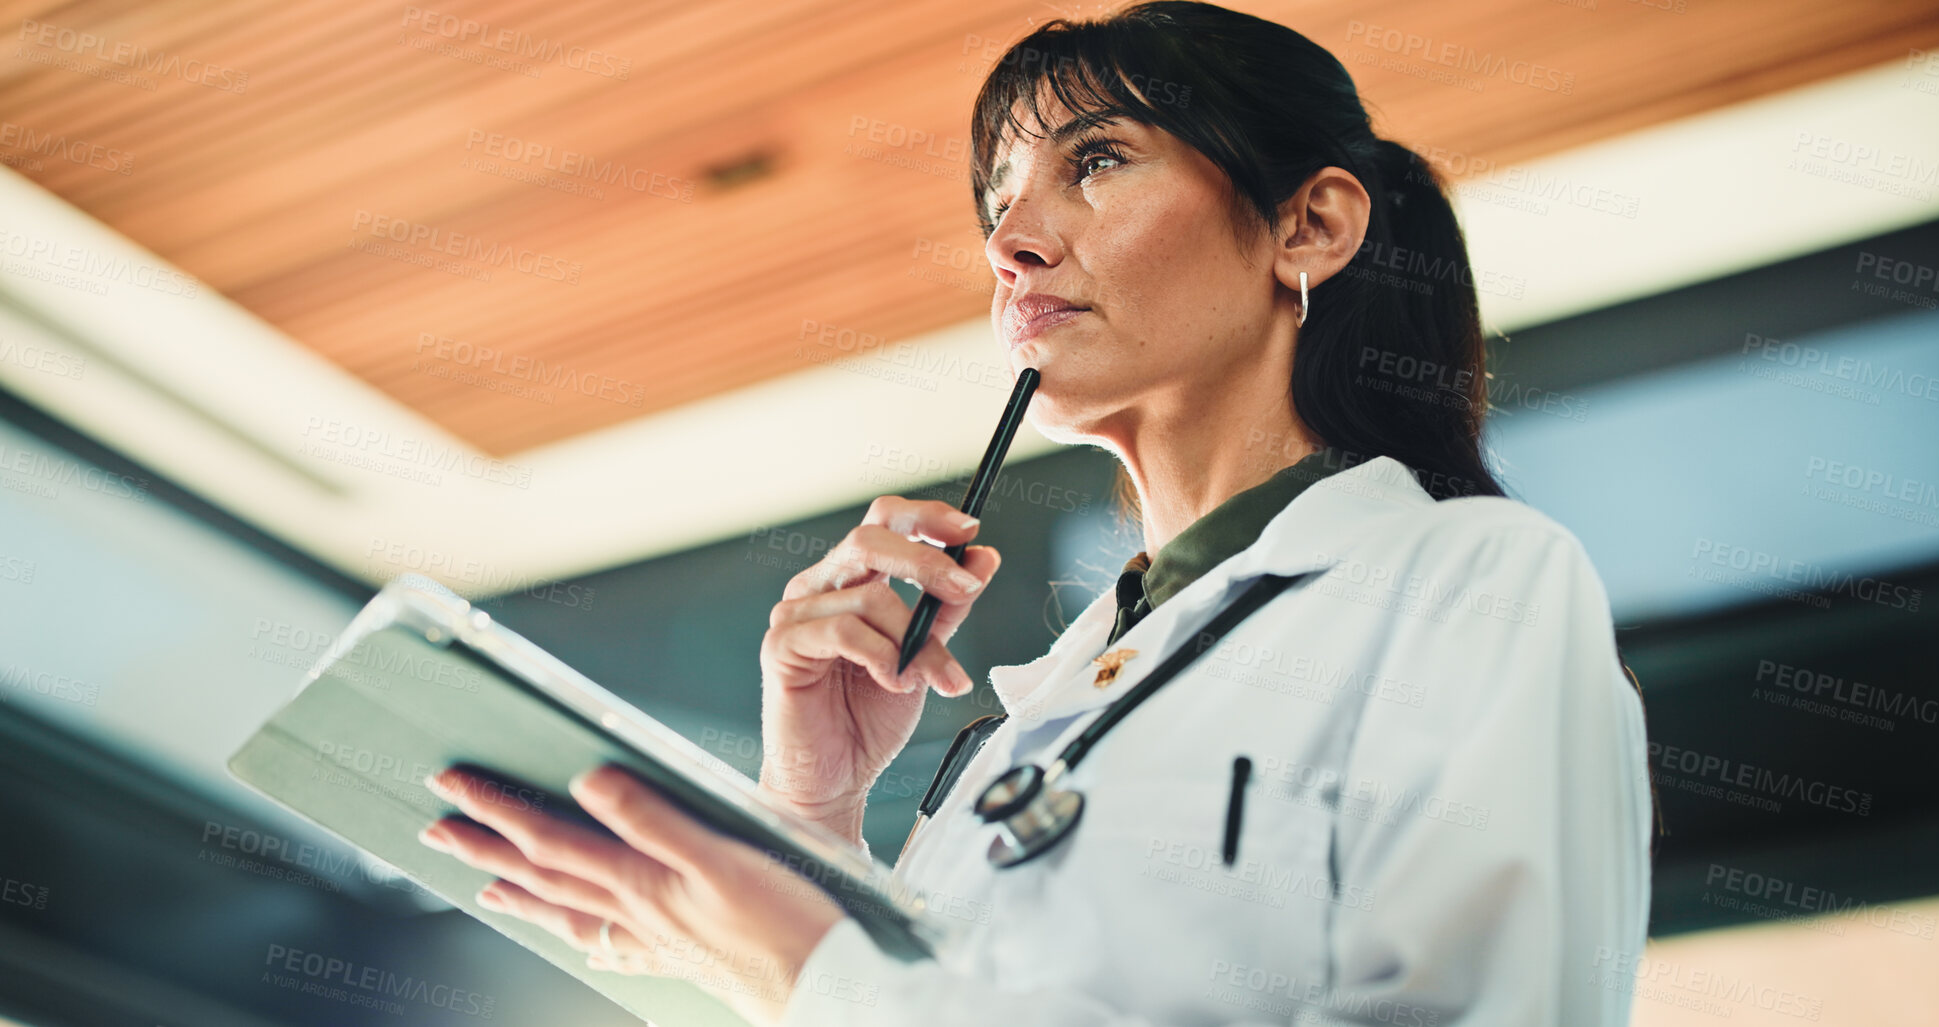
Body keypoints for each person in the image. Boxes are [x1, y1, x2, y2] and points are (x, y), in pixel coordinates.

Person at [415, 3, 1655, 1024]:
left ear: (1308, 224)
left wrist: (816, 971)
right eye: (997, 198)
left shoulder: (1470, 576)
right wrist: (815, 821)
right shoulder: (1043, 712)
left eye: (1096, 162)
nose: (1009, 242)